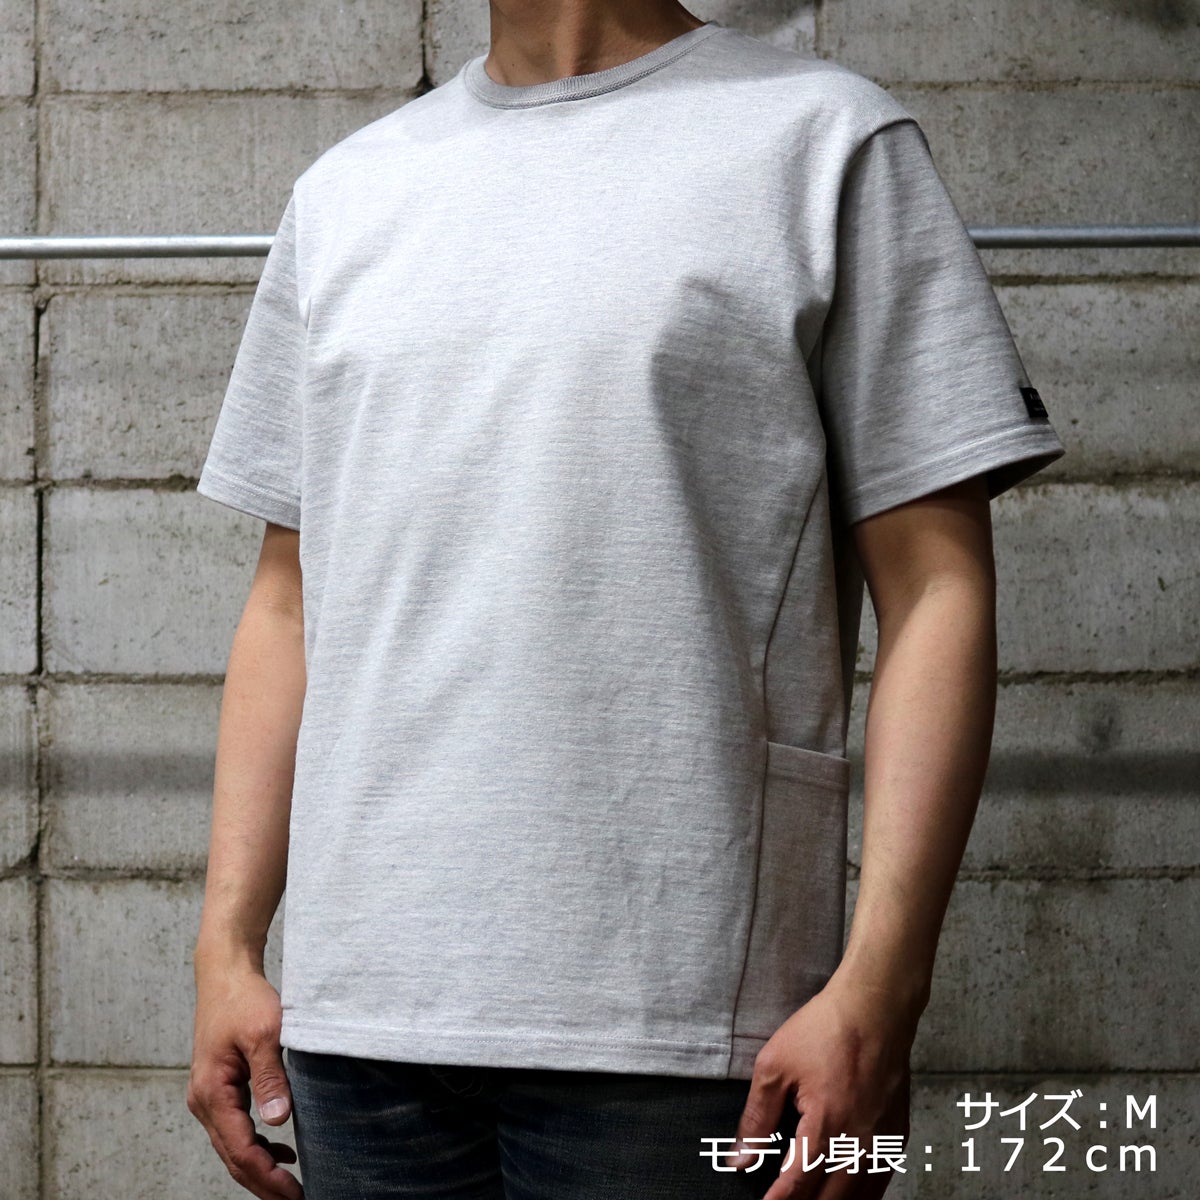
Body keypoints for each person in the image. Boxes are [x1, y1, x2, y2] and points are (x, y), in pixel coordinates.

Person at [186, 2, 1067, 1198]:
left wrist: (883, 984)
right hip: (357, 1030)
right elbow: (288, 601)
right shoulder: (349, 191)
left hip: (679, 1021)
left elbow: (937, 586)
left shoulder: (824, 144)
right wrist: (228, 946)